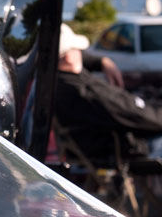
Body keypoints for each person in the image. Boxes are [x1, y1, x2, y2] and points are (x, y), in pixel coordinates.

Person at [55, 23, 162, 160]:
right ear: (68, 57)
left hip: (105, 140)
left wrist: (102, 62)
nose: (81, 53)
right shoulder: (87, 91)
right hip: (126, 146)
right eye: (77, 49)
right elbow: (137, 115)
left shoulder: (63, 79)